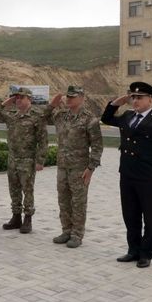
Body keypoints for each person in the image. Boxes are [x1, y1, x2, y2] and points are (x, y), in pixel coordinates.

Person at [101, 82, 152, 268]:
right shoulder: (127, 116)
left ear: (151, 100)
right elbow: (106, 118)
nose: (135, 101)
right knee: (130, 215)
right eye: (133, 97)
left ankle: (146, 253)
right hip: (127, 175)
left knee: (150, 218)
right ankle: (133, 250)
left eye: (140, 97)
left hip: (149, 178)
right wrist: (116, 103)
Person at [44, 86, 103, 248]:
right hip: (62, 166)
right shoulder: (61, 115)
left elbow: (97, 146)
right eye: (67, 96)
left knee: (78, 203)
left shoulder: (89, 119)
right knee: (63, 201)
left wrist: (91, 168)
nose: (68, 99)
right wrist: (52, 104)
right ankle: (66, 231)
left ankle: (77, 234)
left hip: (79, 168)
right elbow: (42, 117)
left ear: (82, 98)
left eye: (72, 97)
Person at [0, 87, 47, 233]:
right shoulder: (12, 115)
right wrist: (5, 103)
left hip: (27, 160)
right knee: (14, 189)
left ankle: (28, 219)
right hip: (13, 159)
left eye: (21, 97)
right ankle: (16, 217)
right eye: (16, 97)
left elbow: (43, 140)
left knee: (27, 190)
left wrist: (40, 160)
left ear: (29, 99)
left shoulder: (37, 116)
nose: (18, 100)